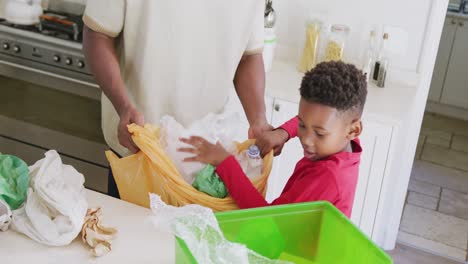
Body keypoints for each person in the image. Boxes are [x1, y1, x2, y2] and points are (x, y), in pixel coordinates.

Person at [81, 1, 271, 198]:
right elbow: (98, 34)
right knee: (129, 227)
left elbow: (249, 56)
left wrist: (259, 119)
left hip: (204, 161)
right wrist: (123, 106)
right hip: (139, 150)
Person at [179, 61, 367, 218]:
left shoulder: (326, 178)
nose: (307, 140)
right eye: (302, 125)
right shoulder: (345, 143)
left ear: (354, 129)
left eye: (319, 133)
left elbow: (268, 219)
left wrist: (225, 163)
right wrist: (284, 132)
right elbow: (315, 121)